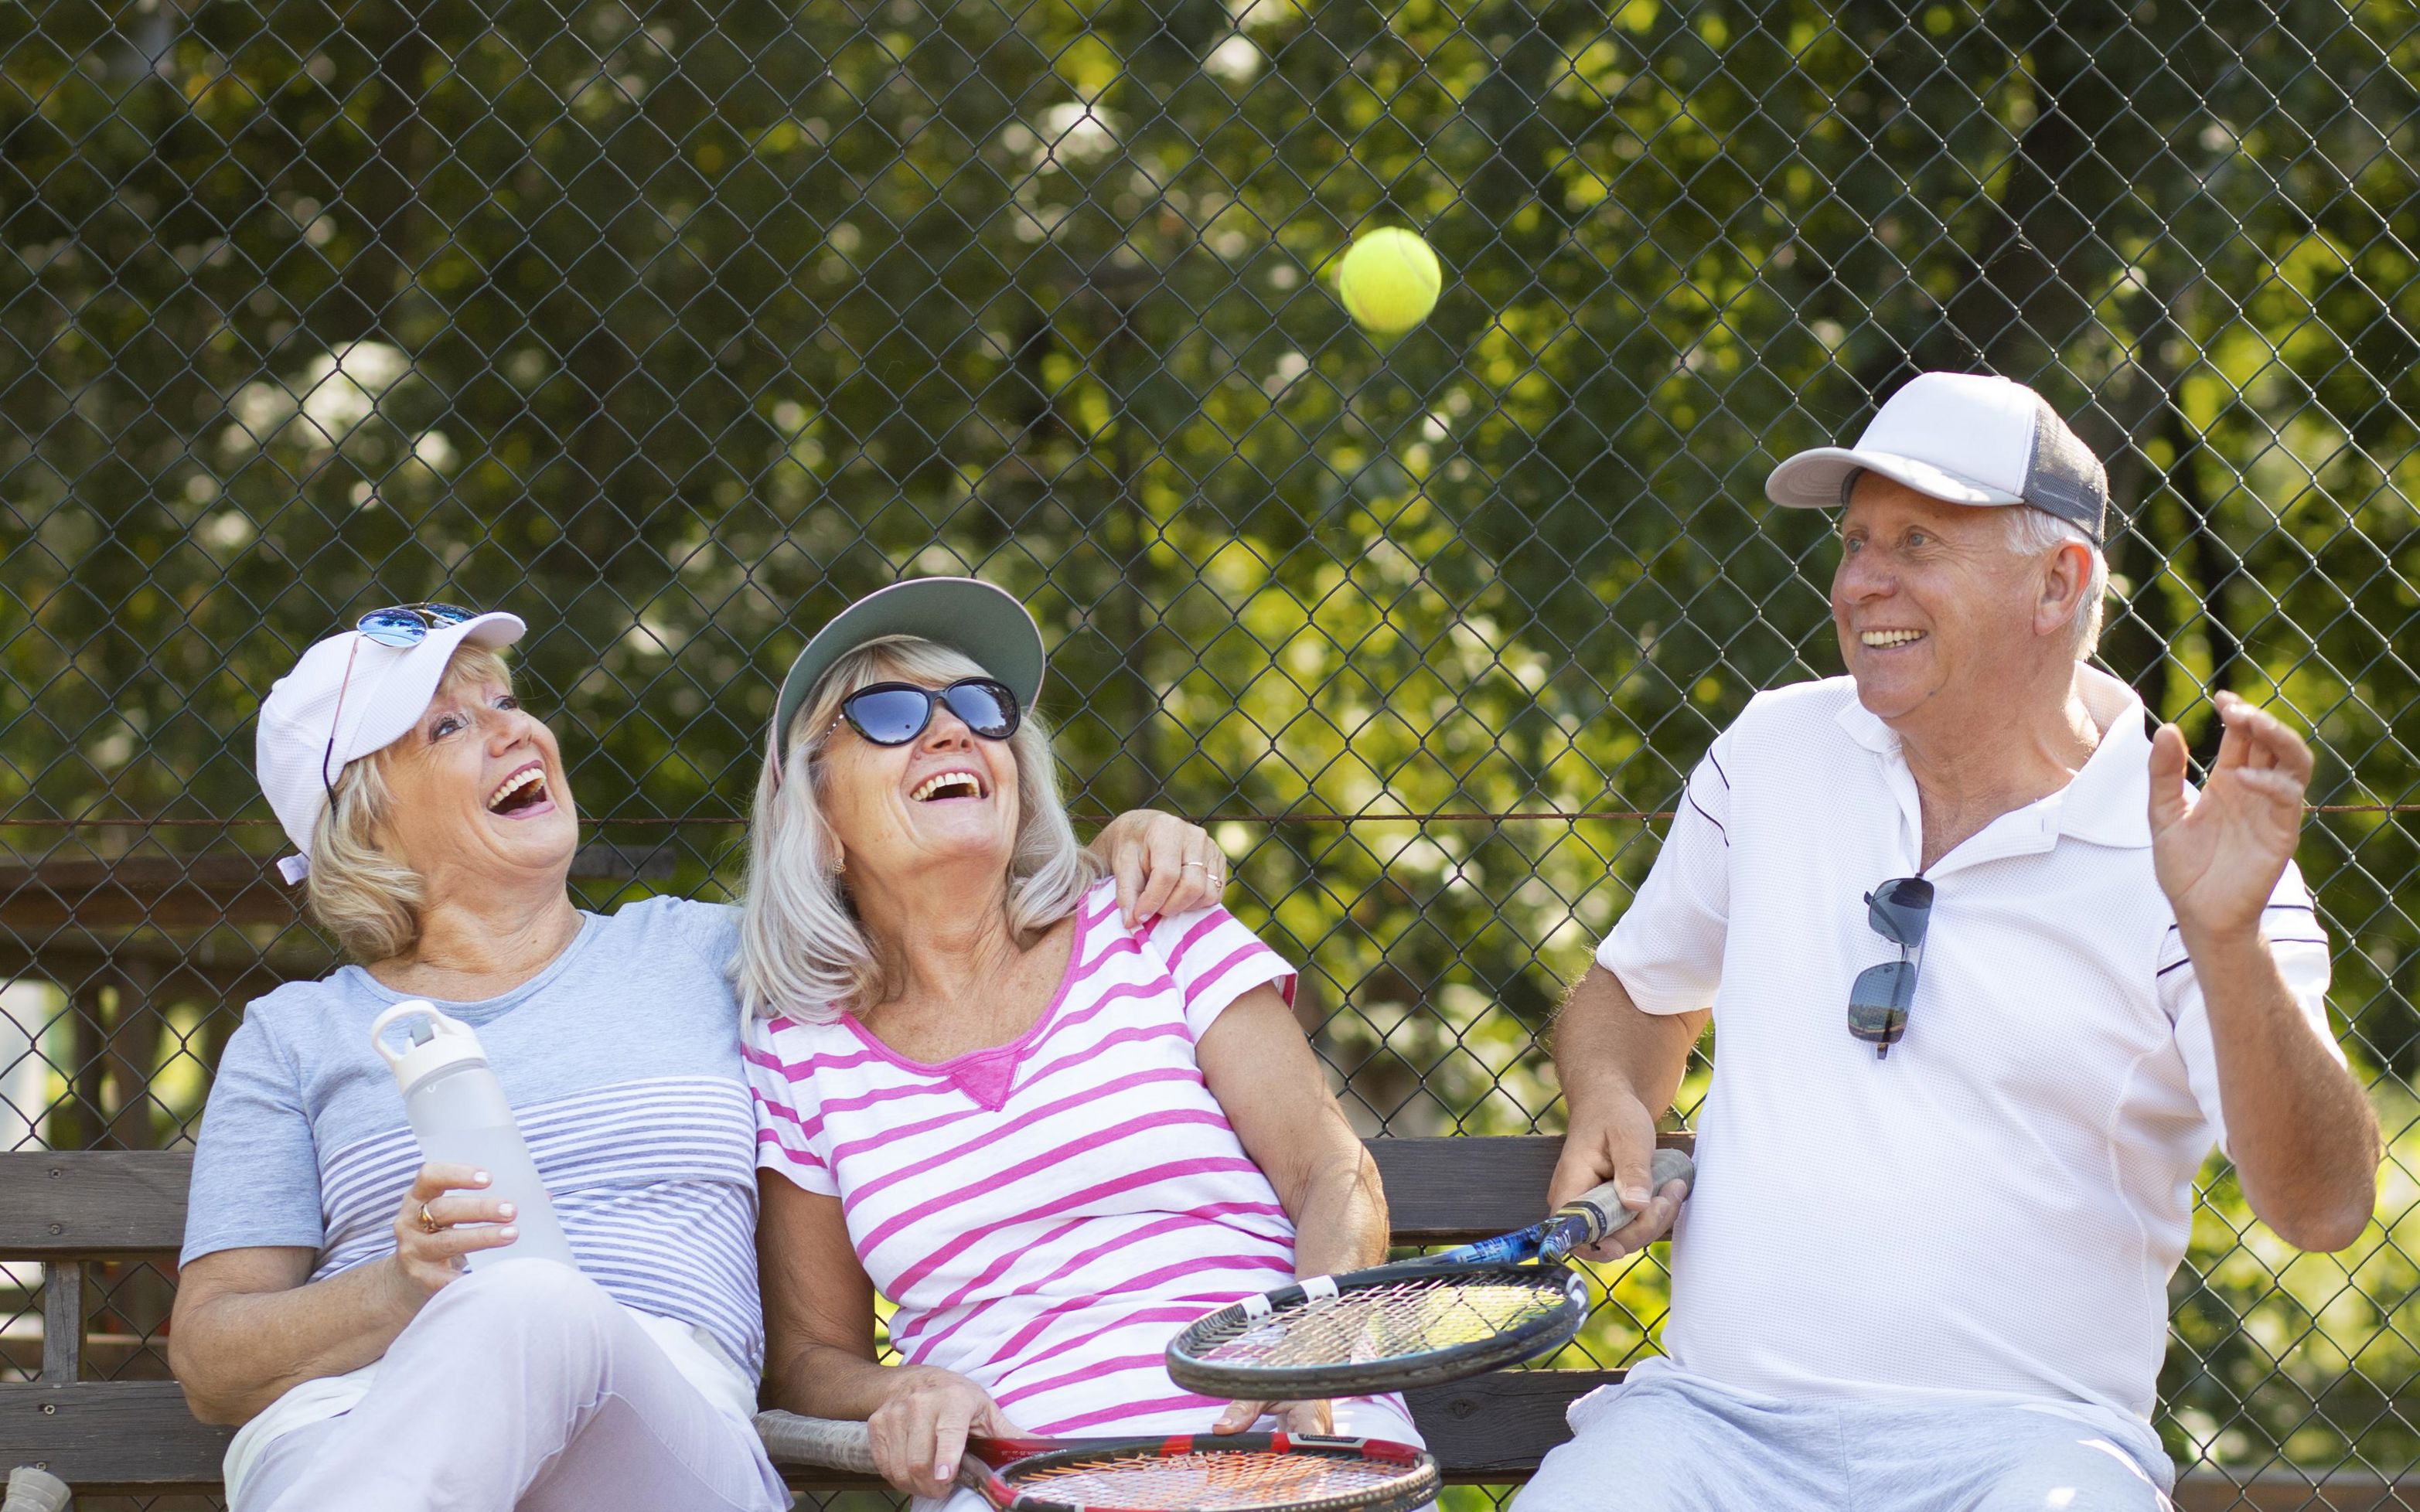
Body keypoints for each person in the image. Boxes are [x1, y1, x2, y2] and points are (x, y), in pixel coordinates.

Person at [1524, 373, 2381, 1511]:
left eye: (1916, 543)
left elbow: (2322, 1208)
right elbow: (1635, 994)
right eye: (1854, 542)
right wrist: (1608, 1095)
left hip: (2026, 1453)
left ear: (2056, 582)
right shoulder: (1773, 750)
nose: (1859, 582)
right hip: (1710, 1427)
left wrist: (2224, 943)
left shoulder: (2195, 851)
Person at [169, 601, 1227, 1511]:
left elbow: (940, 895)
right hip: (354, 1430)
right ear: (365, 821)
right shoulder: (295, 1037)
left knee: (533, 1305)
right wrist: (401, 1291)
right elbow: (212, 1359)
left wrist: (1119, 845)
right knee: (512, 1308)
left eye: (505, 702)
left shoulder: (714, 956)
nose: (513, 731)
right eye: (450, 725)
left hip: (657, 1443)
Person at [735, 577, 1422, 1506]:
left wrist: (1312, 1339)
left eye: (980, 707)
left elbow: (1334, 1172)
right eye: (890, 714)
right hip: (1030, 1487)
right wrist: (902, 1390)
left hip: (1295, 1456)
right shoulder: (799, 1053)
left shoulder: (1153, 927)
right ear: (816, 819)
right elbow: (812, 1358)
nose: (953, 731)